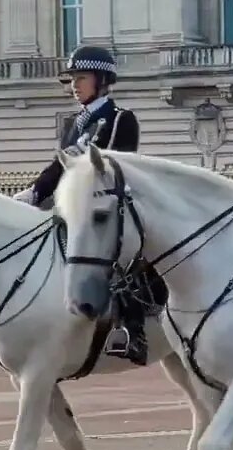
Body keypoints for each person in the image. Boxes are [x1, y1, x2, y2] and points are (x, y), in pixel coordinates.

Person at [13, 45, 156, 364]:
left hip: (104, 205)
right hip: (71, 205)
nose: (74, 85)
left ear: (102, 80)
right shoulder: (75, 123)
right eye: (73, 79)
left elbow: (117, 164)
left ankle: (134, 330)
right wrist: (34, 193)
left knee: (123, 257)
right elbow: (60, 164)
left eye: (82, 78)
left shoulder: (120, 119)